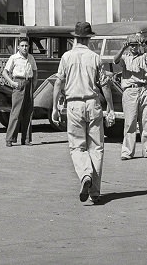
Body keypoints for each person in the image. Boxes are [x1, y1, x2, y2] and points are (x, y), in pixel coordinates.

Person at [51, 21, 116, 204]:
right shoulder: (95, 57)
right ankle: (95, 191)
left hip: (74, 105)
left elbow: (58, 83)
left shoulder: (66, 57)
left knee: (77, 147)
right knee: (96, 147)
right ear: (88, 38)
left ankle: (85, 174)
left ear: (75, 38)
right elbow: (105, 84)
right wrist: (110, 107)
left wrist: (56, 107)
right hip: (93, 103)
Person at [112, 31, 147, 160]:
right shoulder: (125, 57)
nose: (133, 47)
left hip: (143, 88)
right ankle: (127, 152)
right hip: (130, 91)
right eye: (131, 45)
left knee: (146, 121)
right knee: (130, 122)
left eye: (135, 45)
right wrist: (123, 48)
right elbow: (115, 61)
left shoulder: (143, 56)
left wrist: (145, 46)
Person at [2, 38, 37, 146]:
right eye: (22, 46)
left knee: (28, 113)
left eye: (26, 46)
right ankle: (10, 139)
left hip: (29, 83)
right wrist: (12, 83)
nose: (24, 48)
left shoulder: (31, 58)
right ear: (18, 47)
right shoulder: (14, 58)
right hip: (18, 83)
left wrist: (33, 86)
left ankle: (26, 139)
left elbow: (35, 72)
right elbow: (4, 72)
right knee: (16, 113)